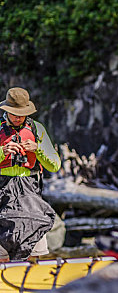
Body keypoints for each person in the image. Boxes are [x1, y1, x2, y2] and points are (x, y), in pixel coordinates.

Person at [0, 87, 61, 261]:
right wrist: (3, 151)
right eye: (13, 113)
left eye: (21, 113)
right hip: (2, 195)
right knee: (2, 254)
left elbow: (55, 165)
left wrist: (38, 149)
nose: (18, 117)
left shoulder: (37, 129)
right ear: (6, 110)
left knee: (35, 255)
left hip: (30, 197)